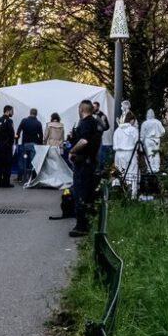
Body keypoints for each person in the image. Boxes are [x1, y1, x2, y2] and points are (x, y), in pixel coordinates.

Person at [67, 100, 103, 238]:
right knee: (88, 193)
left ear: (82, 109)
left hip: (83, 163)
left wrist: (72, 151)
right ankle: (87, 222)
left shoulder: (86, 122)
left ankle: (81, 226)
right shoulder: (94, 122)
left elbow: (84, 141)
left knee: (80, 192)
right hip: (90, 162)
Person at [112, 112, 140, 198]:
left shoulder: (117, 130)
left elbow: (114, 142)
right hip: (129, 153)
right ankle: (132, 195)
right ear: (131, 120)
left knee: (118, 173)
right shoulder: (133, 130)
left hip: (118, 154)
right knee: (131, 173)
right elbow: (137, 144)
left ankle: (117, 193)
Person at [15, 107, 43, 184]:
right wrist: (40, 145)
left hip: (25, 144)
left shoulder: (24, 121)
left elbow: (18, 131)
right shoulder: (38, 123)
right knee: (33, 161)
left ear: (30, 113)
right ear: (36, 114)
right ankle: (32, 178)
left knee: (22, 161)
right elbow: (41, 135)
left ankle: (20, 177)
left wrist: (16, 141)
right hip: (34, 144)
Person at [0, 105, 16, 187]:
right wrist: (8, 141)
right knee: (7, 164)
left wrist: (0, 138)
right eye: (12, 111)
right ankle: (6, 183)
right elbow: (12, 133)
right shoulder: (9, 121)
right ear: (8, 111)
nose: (12, 113)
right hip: (6, 146)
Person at [141, 108, 166, 173]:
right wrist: (158, 135)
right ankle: (156, 168)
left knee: (149, 154)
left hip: (148, 140)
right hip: (156, 140)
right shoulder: (158, 122)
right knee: (156, 154)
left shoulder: (145, 123)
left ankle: (150, 168)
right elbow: (163, 131)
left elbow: (142, 134)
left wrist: (142, 142)